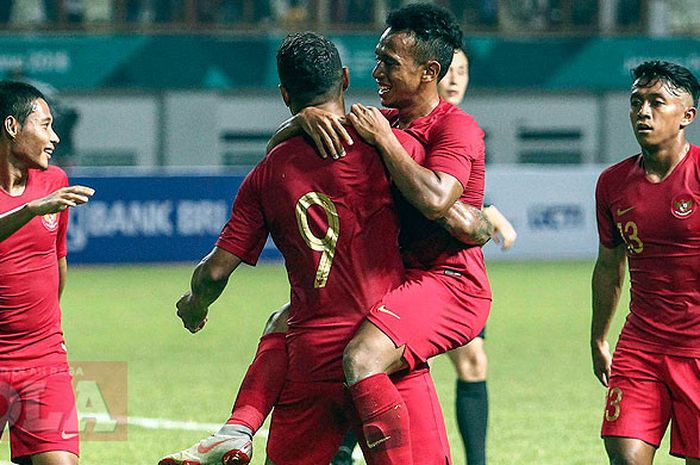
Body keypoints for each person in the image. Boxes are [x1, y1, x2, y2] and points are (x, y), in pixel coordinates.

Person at [159, 31, 486, 465]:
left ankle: (238, 428)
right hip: (384, 345)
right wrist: (481, 223)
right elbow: (445, 208)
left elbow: (216, 271)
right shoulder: (393, 147)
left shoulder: (266, 174)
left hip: (310, 356)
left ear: (283, 94)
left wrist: (195, 303)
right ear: (346, 79)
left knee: (279, 319)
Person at [591, 60, 700, 465]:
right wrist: (599, 337)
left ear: (687, 115)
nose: (643, 111)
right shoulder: (612, 184)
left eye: (657, 102)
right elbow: (608, 267)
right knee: (625, 456)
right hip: (642, 346)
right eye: (636, 101)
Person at [0, 81, 94, 465]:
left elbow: (58, 263)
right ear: (11, 127)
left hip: (43, 361)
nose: (54, 137)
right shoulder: (41, 201)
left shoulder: (55, 182)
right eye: (44, 125)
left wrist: (48, 334)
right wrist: (30, 210)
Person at [438, 47, 516, 465]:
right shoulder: (412, 124)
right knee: (380, 367)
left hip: (457, 270)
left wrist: (485, 209)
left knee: (473, 361)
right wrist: (486, 214)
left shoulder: (463, 128)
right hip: (411, 266)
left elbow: (456, 189)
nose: (455, 80)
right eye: (447, 71)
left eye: (463, 71)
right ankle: (342, 449)